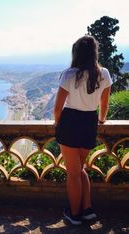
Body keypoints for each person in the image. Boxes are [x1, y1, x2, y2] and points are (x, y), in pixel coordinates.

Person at [54, 35, 113, 225]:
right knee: (79, 170)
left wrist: (57, 124)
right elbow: (104, 103)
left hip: (70, 121)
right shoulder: (104, 74)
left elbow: (57, 108)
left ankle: (75, 214)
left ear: (76, 53)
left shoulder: (69, 74)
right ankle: (87, 210)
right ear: (94, 53)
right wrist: (102, 120)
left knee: (73, 173)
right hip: (89, 122)